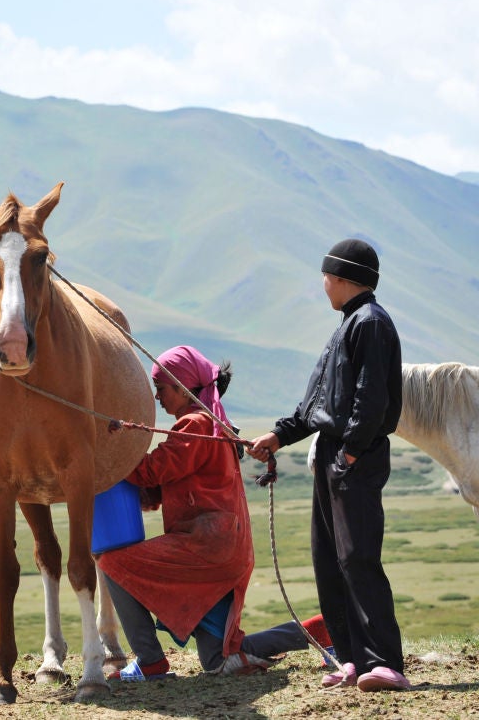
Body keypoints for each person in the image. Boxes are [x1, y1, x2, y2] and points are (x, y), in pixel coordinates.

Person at [98, 345, 326, 680]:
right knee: (217, 659)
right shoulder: (214, 424)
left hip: (205, 549)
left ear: (184, 388)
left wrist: (109, 448)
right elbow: (169, 483)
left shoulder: (196, 423)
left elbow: (149, 471)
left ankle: (150, 662)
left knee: (112, 564)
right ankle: (320, 631)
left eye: (161, 389)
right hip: (221, 546)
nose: (157, 397)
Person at [248, 238, 409, 692]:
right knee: (330, 561)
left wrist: (351, 452)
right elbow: (318, 404)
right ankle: (352, 660)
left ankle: (385, 663)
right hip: (334, 454)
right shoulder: (349, 324)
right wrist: (279, 436)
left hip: (352, 456)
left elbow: (371, 398)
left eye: (325, 277)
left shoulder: (370, 324)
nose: (322, 285)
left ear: (338, 277)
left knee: (358, 557)